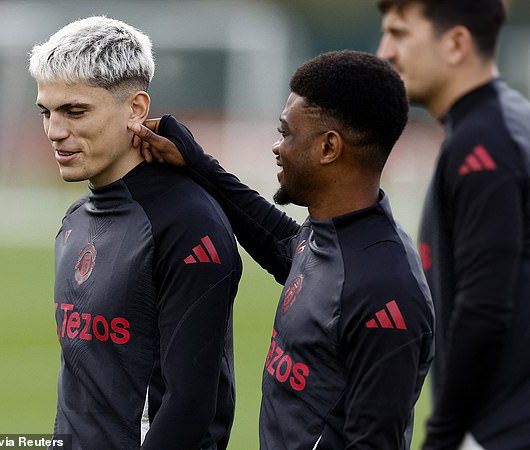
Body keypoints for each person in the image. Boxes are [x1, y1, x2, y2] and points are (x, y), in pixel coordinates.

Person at [130, 50, 435, 449]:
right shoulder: (334, 234)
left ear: (329, 148)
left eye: (287, 132)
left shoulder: (385, 290)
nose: (277, 146)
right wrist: (196, 163)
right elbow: (282, 244)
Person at [28, 16, 242, 450]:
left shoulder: (187, 225)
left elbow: (190, 408)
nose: (54, 131)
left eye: (75, 111)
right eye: (46, 112)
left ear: (136, 109)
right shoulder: (76, 220)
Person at [376, 1, 530, 449]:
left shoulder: (485, 141)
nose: (386, 50)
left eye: (400, 33)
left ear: (456, 43)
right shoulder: (503, 122)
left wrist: (443, 434)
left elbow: (484, 308)